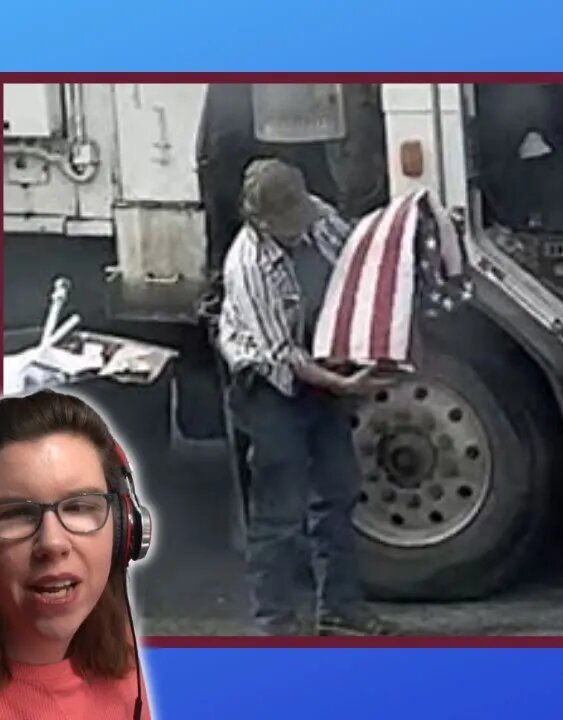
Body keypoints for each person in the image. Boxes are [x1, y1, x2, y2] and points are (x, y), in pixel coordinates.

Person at [216, 157, 398, 636]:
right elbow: (283, 354)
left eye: (301, 218)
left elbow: (358, 255)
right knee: (280, 512)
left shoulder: (316, 217)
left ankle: (340, 607)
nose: (300, 231)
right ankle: (275, 621)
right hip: (272, 387)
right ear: (260, 221)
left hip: (323, 370)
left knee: (337, 494)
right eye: (287, 225)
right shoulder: (249, 266)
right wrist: (344, 385)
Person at [0, 389, 150, 719]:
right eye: (15, 513)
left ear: (125, 529)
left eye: (80, 507)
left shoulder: (112, 640)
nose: (53, 543)